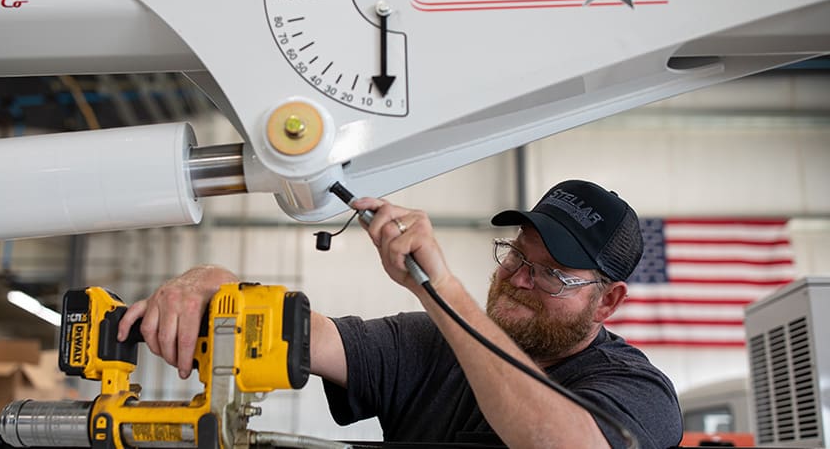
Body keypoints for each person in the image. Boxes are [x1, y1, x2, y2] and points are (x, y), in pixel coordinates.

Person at [118, 179, 684, 448]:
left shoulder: (636, 394)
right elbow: (303, 337)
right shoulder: (430, 345)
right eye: (515, 254)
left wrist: (440, 289)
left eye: (552, 273)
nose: (516, 279)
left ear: (607, 301)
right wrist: (222, 287)